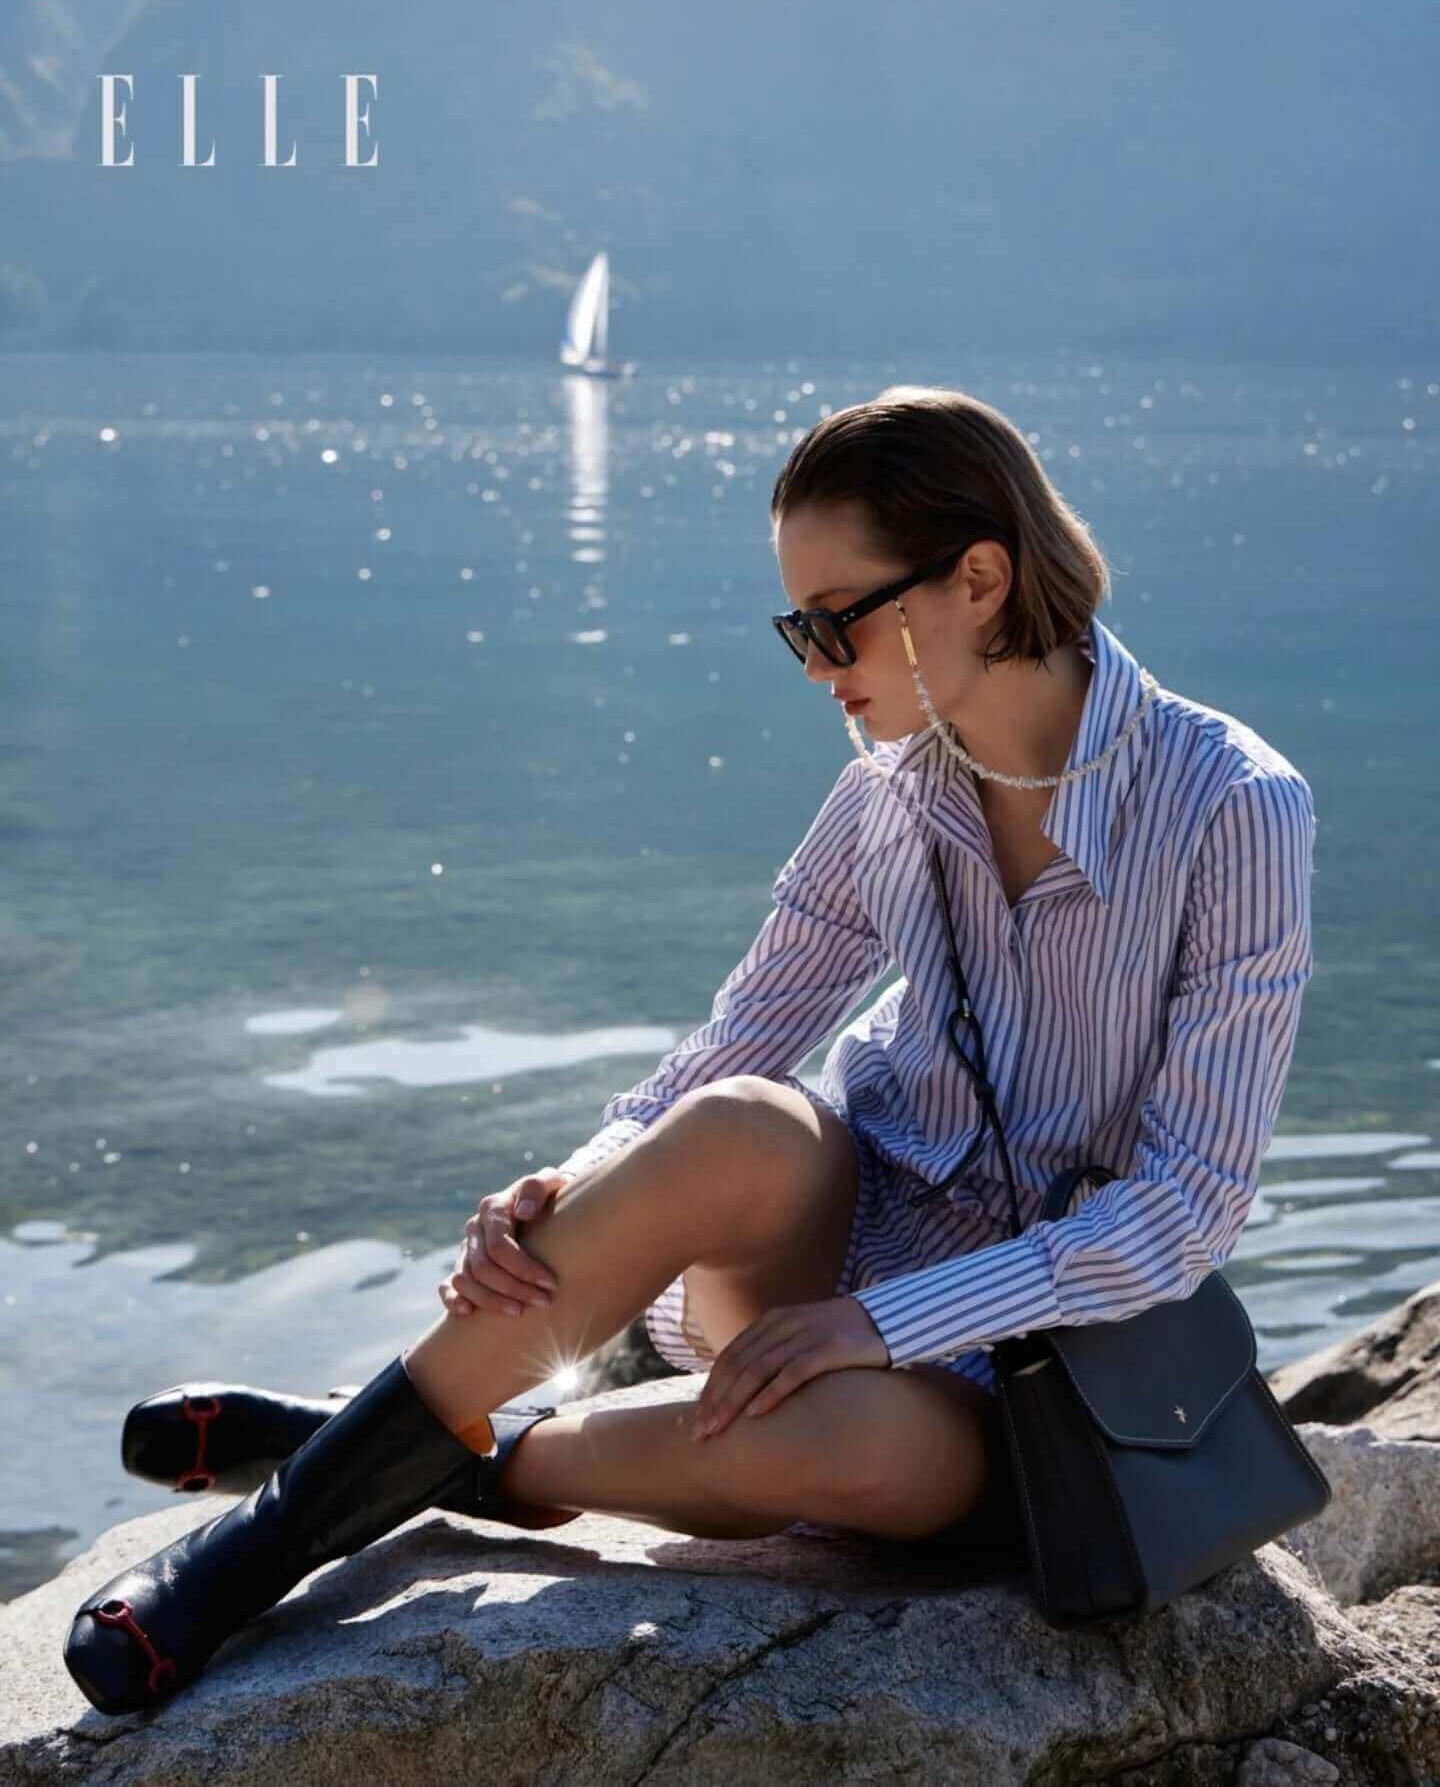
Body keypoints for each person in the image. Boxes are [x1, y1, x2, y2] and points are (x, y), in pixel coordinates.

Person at [64, 385, 1317, 1714]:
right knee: (738, 1120)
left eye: (833, 622)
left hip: (1019, 1369)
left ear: (982, 580)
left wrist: (881, 1326)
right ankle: (259, 1551)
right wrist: (569, 1177)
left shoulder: (1234, 809)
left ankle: (407, 1454)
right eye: (794, 627)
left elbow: (1186, 1213)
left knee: (827, 1438)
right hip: (830, 1255)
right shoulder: (886, 791)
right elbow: (736, 1041)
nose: (814, 663)